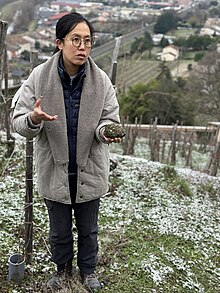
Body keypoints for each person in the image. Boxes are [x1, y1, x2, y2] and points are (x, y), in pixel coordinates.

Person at [12, 12, 121, 291]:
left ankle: (88, 271)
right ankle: (61, 270)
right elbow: (18, 122)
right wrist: (34, 119)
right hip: (54, 167)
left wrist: (106, 131)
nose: (83, 46)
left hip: (90, 166)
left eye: (88, 41)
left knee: (89, 229)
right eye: (76, 40)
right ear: (60, 43)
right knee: (59, 231)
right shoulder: (39, 77)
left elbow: (109, 119)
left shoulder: (102, 81)